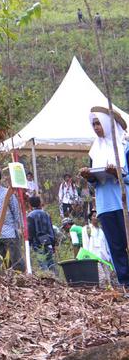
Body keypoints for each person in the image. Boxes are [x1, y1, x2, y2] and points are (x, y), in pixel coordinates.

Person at [80, 107, 129, 285]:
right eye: (93, 124)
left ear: (108, 124)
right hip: (104, 205)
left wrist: (119, 174)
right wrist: (90, 177)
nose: (96, 127)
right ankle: (125, 282)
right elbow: (94, 184)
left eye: (99, 123)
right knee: (115, 246)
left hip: (125, 203)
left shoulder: (125, 147)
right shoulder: (95, 151)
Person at [26, 195, 56, 271]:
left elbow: (30, 231)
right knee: (51, 262)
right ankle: (55, 279)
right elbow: (51, 229)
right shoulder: (46, 214)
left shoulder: (30, 216)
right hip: (48, 241)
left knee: (42, 262)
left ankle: (47, 278)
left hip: (37, 242)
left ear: (30, 204)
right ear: (40, 203)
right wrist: (53, 243)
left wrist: (29, 242)